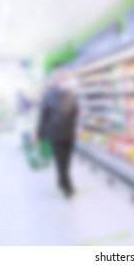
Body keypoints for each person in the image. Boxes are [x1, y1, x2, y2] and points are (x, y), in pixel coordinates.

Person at [37, 69, 78, 198]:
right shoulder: (48, 95)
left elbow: (75, 111)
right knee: (60, 159)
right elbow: (43, 115)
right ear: (56, 81)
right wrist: (39, 133)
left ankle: (61, 180)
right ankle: (67, 185)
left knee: (67, 159)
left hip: (69, 132)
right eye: (62, 78)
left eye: (66, 78)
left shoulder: (72, 94)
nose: (65, 81)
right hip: (55, 132)